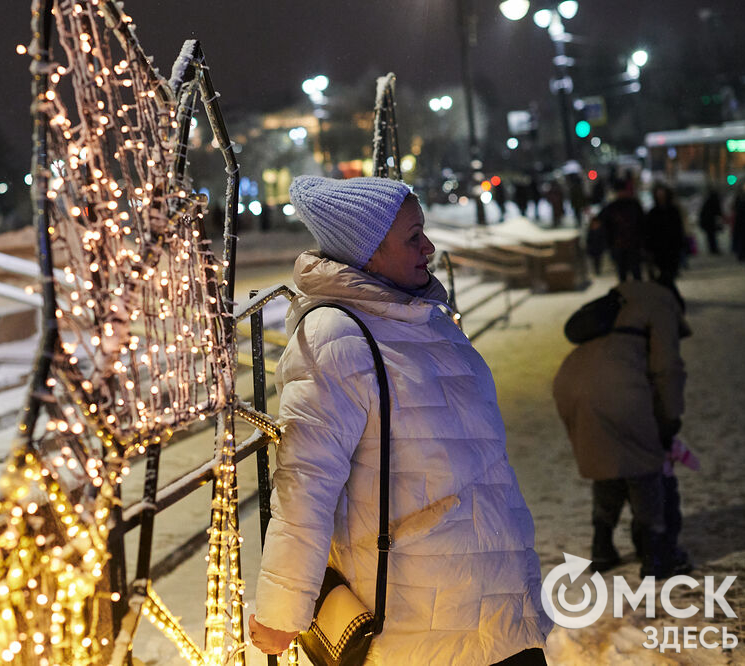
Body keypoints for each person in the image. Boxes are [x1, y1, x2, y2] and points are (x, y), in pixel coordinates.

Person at [249, 176, 551, 665]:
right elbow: (305, 482)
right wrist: (282, 611)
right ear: (367, 253)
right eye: (413, 237)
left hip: (503, 604)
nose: (429, 247)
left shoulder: (428, 317)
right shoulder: (335, 337)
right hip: (422, 625)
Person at [553, 280, 692, 577]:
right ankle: (657, 554)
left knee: (609, 466)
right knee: (645, 470)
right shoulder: (661, 304)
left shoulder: (621, 301)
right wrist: (670, 420)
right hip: (617, 386)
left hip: (569, 379)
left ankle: (602, 547)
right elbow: (668, 367)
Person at [599, 179, 646, 281]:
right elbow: (605, 226)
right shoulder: (612, 207)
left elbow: (642, 225)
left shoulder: (634, 205)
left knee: (636, 273)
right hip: (619, 246)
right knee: (622, 274)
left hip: (633, 245)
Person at [645, 184, 686, 288]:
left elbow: (679, 229)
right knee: (664, 274)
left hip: (672, 248)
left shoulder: (673, 211)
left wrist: (681, 244)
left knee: (670, 274)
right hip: (659, 249)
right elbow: (649, 231)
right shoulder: (653, 212)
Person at [698, 187, 724, 255]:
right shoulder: (714, 201)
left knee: (710, 237)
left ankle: (713, 249)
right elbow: (718, 211)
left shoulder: (708, 201)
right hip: (710, 223)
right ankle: (714, 249)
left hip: (707, 223)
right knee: (712, 237)